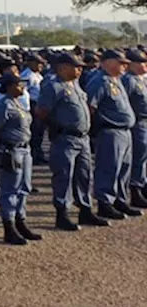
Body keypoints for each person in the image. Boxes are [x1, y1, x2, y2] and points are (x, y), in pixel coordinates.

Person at [36, 52, 104, 231]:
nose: (80, 70)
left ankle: (85, 209)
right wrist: (57, 126)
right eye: (76, 66)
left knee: (83, 175)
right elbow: (42, 111)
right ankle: (62, 213)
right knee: (64, 176)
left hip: (83, 138)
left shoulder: (75, 85)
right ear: (63, 68)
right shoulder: (53, 86)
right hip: (65, 138)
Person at [84, 49, 141, 219]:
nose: (124, 66)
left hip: (124, 131)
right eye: (120, 62)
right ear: (108, 62)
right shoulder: (99, 82)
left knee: (124, 168)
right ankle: (105, 202)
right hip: (110, 131)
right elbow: (90, 107)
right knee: (109, 167)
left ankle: (120, 200)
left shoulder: (115, 80)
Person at [0, 70, 42, 245]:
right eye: (19, 84)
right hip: (11, 150)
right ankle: (9, 226)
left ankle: (21, 221)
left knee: (24, 187)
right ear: (10, 87)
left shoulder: (18, 103)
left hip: (24, 150)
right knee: (10, 189)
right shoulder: (5, 105)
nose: (23, 87)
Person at [125, 49, 147, 209]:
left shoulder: (140, 79)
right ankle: (135, 190)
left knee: (144, 157)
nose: (145, 65)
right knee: (138, 157)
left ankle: (142, 185)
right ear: (132, 64)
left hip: (144, 122)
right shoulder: (129, 81)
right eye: (141, 62)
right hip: (137, 123)